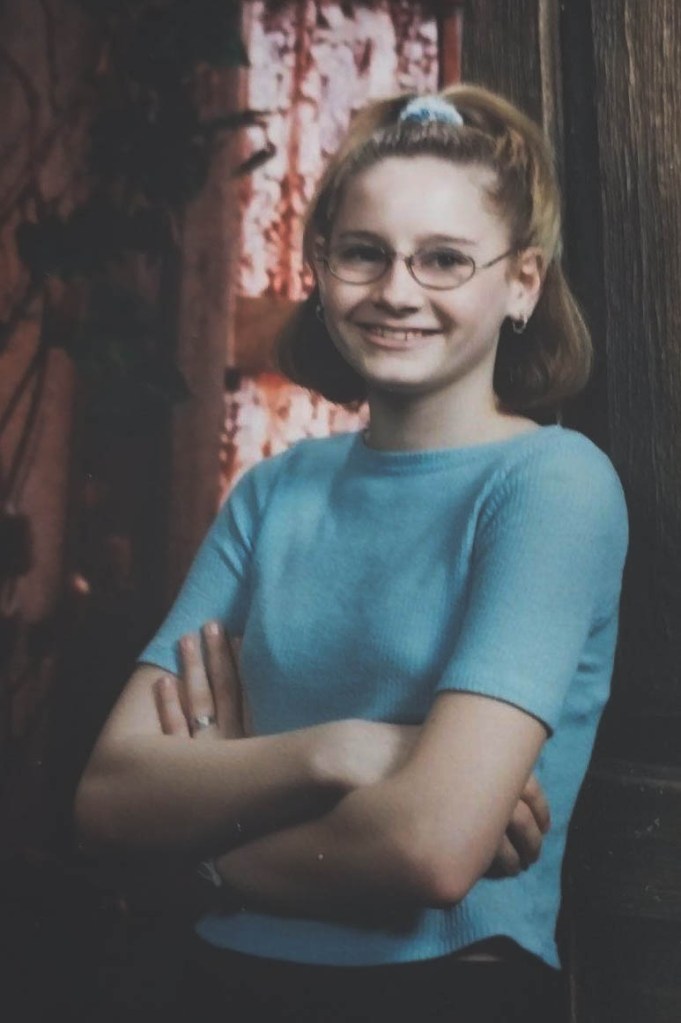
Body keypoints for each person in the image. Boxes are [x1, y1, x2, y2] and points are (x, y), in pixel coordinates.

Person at [75, 85, 629, 1022]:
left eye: (444, 260)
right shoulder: (273, 489)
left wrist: (208, 848)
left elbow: (430, 850)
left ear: (521, 283)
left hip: (442, 993)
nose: (396, 291)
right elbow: (107, 796)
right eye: (363, 253)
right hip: (212, 982)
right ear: (321, 268)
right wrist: (346, 751)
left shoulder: (552, 484)